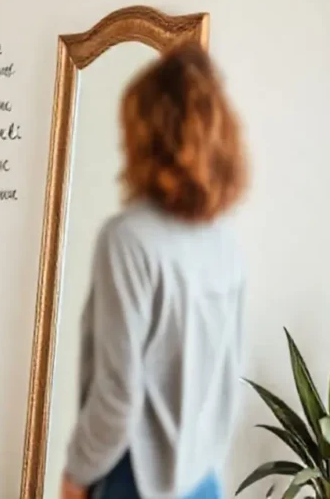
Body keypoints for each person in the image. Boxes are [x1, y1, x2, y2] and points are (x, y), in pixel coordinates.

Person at [60, 42, 248, 499]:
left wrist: (75, 477)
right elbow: (228, 382)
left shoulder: (128, 239)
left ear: (145, 133)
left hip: (135, 480)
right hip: (202, 481)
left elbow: (117, 398)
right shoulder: (225, 241)